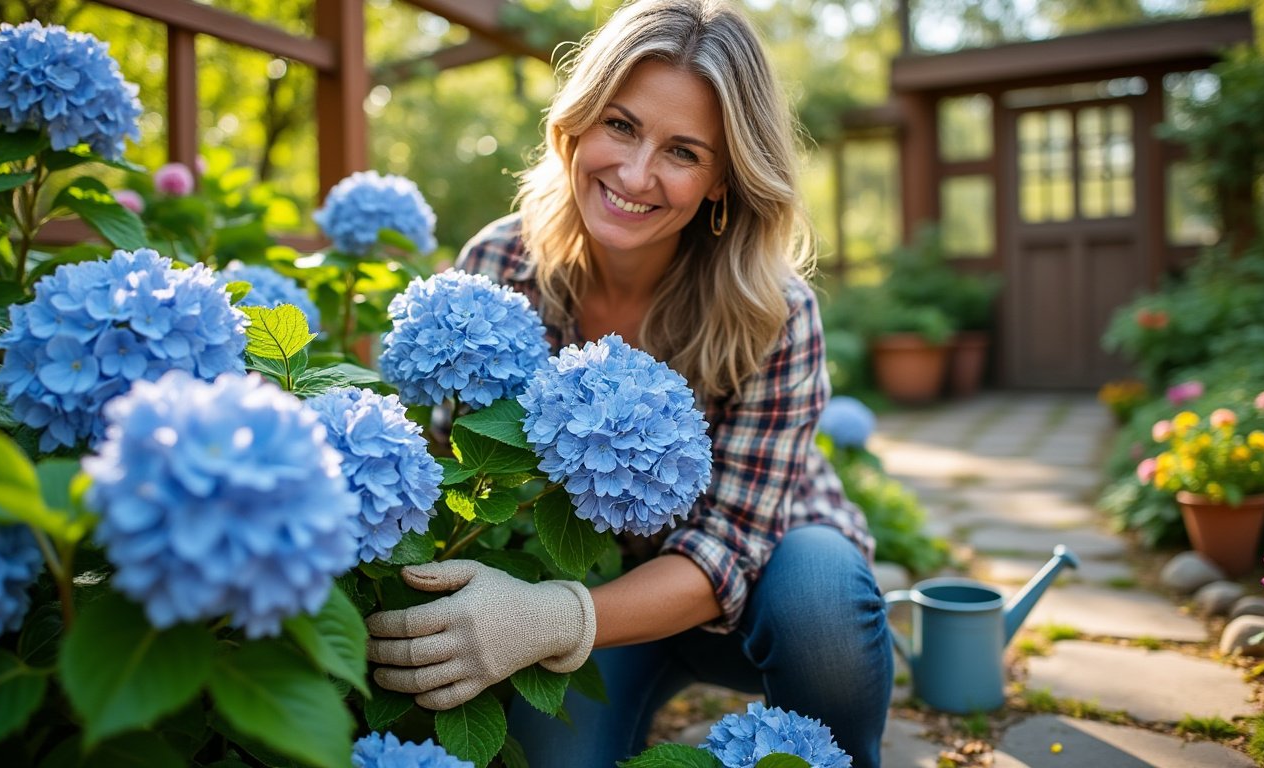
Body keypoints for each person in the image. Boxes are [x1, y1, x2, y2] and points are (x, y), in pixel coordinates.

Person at [364, 1, 893, 766]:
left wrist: (551, 618)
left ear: (721, 180)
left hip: (750, 599)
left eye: (683, 151)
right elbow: (452, 463)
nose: (636, 174)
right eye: (619, 125)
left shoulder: (775, 312)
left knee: (822, 589)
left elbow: (730, 547)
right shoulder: (502, 269)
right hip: (580, 596)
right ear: (577, 124)